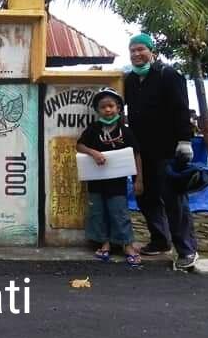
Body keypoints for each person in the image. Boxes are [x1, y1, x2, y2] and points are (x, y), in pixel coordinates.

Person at [124, 33, 199, 270]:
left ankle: (187, 249)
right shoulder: (130, 81)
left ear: (151, 51)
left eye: (140, 50)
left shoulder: (169, 75)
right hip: (141, 150)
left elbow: (181, 108)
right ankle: (160, 240)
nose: (137, 54)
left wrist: (184, 140)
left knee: (173, 199)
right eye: (133, 51)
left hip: (167, 149)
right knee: (145, 196)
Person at [76, 88, 143, 266]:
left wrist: (138, 180)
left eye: (111, 106)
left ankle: (126, 245)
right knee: (98, 212)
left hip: (117, 183)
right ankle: (104, 242)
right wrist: (93, 152)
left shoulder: (125, 131)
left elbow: (136, 155)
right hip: (96, 181)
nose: (107, 110)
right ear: (97, 110)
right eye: (103, 107)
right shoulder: (93, 129)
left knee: (119, 212)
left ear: (119, 108)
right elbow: (80, 146)